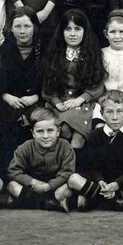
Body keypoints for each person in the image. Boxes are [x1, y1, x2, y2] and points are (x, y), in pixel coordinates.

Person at [68, 89, 123, 212]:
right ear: (102, 113)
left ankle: (97, 200)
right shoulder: (96, 135)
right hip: (102, 184)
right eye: (109, 112)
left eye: (120, 111)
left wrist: (117, 184)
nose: (115, 117)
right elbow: (92, 166)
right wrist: (100, 181)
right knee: (73, 179)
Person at [41, 8, 105, 148]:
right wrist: (57, 103)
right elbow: (47, 86)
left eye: (77, 29)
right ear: (62, 31)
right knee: (64, 129)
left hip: (82, 102)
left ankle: (75, 160)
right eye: (68, 29)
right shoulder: (54, 54)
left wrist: (79, 100)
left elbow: (97, 84)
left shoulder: (92, 54)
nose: (72, 34)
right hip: (59, 102)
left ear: (85, 31)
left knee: (78, 136)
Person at [0, 6, 42, 163]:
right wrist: (6, 96)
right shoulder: (4, 50)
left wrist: (35, 96)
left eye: (27, 26)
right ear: (11, 28)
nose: (22, 31)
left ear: (34, 27)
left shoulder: (44, 51)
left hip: (35, 100)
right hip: (8, 100)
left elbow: (50, 81)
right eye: (18, 26)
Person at [7, 106, 75, 212]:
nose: (45, 136)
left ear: (58, 131)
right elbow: (13, 171)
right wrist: (33, 182)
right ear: (33, 133)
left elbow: (67, 172)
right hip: (32, 188)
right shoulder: (25, 147)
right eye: (40, 131)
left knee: (68, 188)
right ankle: (50, 204)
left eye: (50, 130)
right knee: (12, 186)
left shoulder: (65, 146)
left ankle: (26, 202)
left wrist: (49, 186)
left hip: (55, 187)